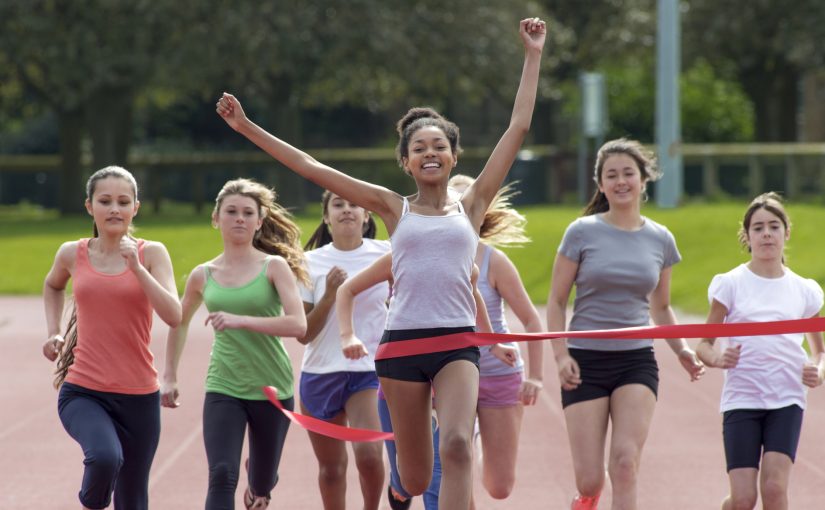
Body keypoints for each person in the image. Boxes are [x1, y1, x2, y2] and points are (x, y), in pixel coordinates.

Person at [216, 17, 545, 508]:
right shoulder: (394, 207)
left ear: (453, 157)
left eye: (439, 147)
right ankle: (404, 487)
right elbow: (310, 166)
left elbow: (517, 127)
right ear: (407, 162)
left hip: (457, 342)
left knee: (456, 446)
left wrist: (533, 54)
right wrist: (246, 127)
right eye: (419, 149)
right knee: (413, 478)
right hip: (401, 348)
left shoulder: (472, 204)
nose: (430, 153)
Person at [546, 139, 705, 510]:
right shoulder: (581, 232)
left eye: (628, 173)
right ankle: (585, 498)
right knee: (589, 479)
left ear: (643, 179)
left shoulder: (661, 239)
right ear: (600, 184)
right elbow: (555, 301)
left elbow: (661, 307)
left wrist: (681, 350)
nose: (621, 181)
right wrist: (560, 356)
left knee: (624, 463)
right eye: (611, 175)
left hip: (636, 361)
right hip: (585, 362)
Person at [160, 178, 308, 509]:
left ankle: (259, 484)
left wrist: (241, 321)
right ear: (216, 218)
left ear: (259, 221)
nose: (239, 218)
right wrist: (169, 375)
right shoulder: (203, 274)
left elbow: (298, 324)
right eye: (231, 212)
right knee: (222, 473)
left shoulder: (274, 267)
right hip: (224, 384)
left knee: (263, 478)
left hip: (272, 386)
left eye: (247, 213)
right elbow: (179, 321)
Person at [41, 166, 182, 510]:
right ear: (90, 206)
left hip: (139, 397)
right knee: (104, 459)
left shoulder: (153, 254)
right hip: (84, 392)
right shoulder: (72, 253)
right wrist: (54, 331)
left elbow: (174, 315)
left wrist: (136, 268)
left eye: (123, 201)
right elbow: (53, 285)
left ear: (136, 207)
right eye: (105, 201)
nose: (114, 209)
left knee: (133, 499)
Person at [336, 251, 515, 510]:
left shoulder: (461, 257)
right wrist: (347, 336)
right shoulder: (398, 256)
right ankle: (397, 485)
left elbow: (473, 295)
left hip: (447, 367)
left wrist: (493, 342)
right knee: (410, 481)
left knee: (445, 459)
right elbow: (347, 289)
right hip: (400, 369)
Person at [695, 192, 824, 510]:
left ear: (786, 233)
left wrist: (817, 371)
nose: (767, 233)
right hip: (743, 399)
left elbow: (820, 352)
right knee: (743, 499)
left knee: (774, 489)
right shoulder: (731, 284)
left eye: (774, 226)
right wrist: (717, 359)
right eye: (758, 228)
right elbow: (703, 344)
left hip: (787, 398)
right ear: (748, 236)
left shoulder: (804, 290)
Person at [448, 174, 544, 503]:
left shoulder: (494, 262)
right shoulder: (428, 257)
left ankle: (474, 442)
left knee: (499, 487)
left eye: (470, 203)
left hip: (498, 373)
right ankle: (465, 443)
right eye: (454, 203)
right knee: (451, 466)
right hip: (447, 375)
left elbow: (532, 319)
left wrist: (535, 376)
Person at [297, 190, 389, 510]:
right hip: (320, 372)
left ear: (367, 217)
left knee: (369, 455)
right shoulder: (308, 262)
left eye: (354, 205)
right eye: (338, 204)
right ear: (326, 216)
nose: (346, 210)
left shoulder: (387, 254)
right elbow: (304, 333)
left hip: (368, 372)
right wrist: (330, 294)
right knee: (332, 470)